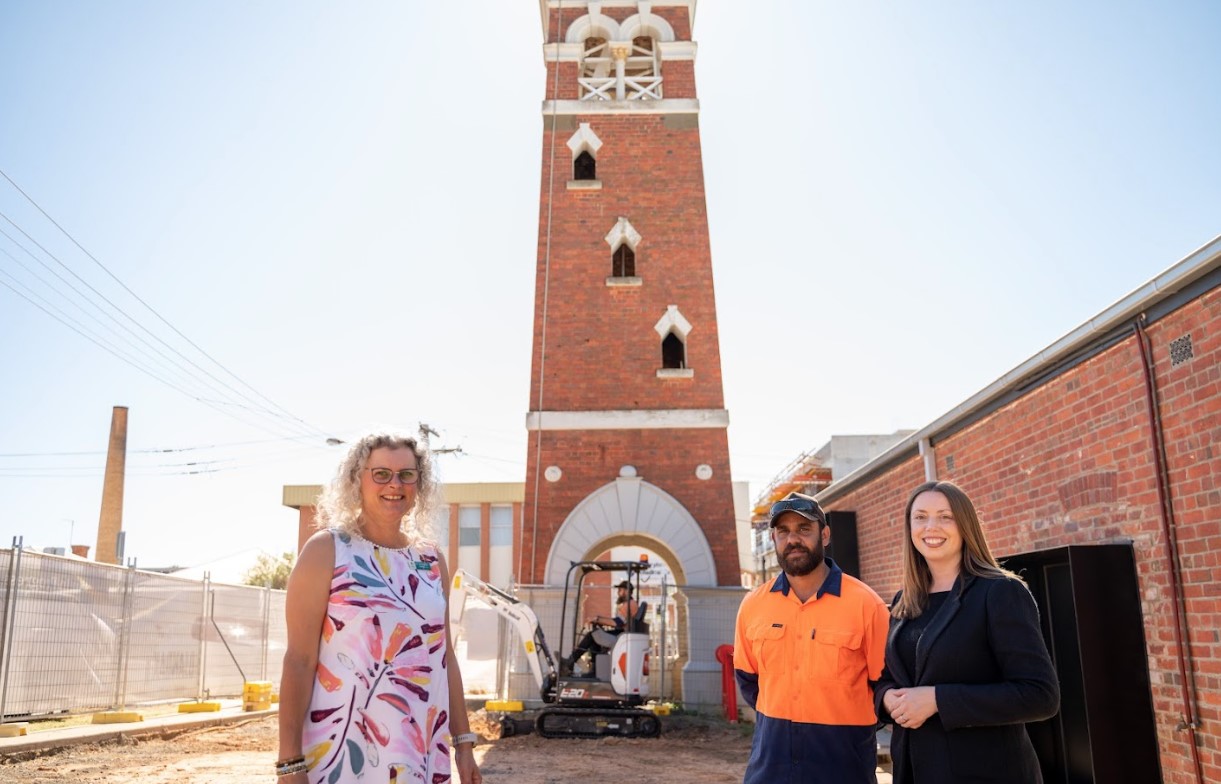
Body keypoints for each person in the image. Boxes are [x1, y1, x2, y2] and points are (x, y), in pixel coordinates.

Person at [277, 432, 482, 784]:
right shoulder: (327, 550)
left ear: (420, 483)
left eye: (407, 474)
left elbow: (444, 656)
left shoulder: (432, 559)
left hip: (419, 753)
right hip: (340, 755)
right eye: (381, 473)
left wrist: (464, 745)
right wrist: (289, 763)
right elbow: (299, 660)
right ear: (358, 479)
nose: (395, 484)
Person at [875, 480, 1060, 784]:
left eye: (945, 516)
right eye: (920, 517)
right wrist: (886, 699)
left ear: (965, 525)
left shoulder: (1000, 592)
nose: (930, 526)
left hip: (988, 773)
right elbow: (888, 678)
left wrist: (937, 700)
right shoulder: (904, 601)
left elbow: (1040, 695)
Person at [734, 492, 890, 784]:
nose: (793, 539)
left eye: (804, 529)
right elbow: (748, 680)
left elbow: (883, 686)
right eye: (784, 532)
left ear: (825, 534)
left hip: (843, 771)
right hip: (770, 771)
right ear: (774, 539)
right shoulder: (753, 605)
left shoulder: (867, 605)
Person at [565, 580, 641, 672]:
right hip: (621, 635)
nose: (618, 593)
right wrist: (599, 619)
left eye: (620, 590)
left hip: (621, 637)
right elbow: (617, 621)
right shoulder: (629, 604)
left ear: (627, 591)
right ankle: (594, 670)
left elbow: (618, 623)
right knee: (594, 637)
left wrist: (598, 619)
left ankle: (571, 660)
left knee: (591, 635)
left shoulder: (629, 604)